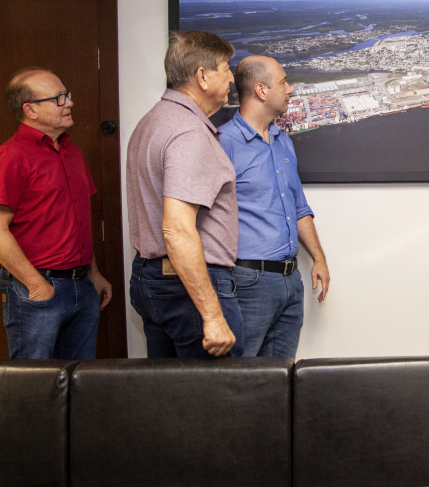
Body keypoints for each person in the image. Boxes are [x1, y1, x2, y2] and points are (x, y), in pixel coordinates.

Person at [0, 68, 112, 359]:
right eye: (59, 98)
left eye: (67, 95)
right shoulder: (9, 157)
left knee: (78, 383)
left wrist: (94, 273)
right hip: (38, 290)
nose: (69, 103)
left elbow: (77, 221)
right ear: (30, 110)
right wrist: (37, 286)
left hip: (82, 285)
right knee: (34, 388)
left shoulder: (72, 152)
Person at [127, 30, 243, 358]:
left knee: (173, 399)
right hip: (188, 287)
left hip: (155, 280)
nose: (232, 77)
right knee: (219, 398)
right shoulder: (189, 131)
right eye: (226, 67)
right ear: (203, 77)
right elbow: (176, 228)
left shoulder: (153, 121)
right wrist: (213, 316)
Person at [218, 55, 330, 358]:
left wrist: (318, 258)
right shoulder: (223, 143)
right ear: (261, 90)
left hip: (291, 282)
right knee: (239, 380)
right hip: (248, 282)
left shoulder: (283, 142)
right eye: (283, 82)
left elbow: (298, 207)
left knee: (280, 380)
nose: (290, 89)